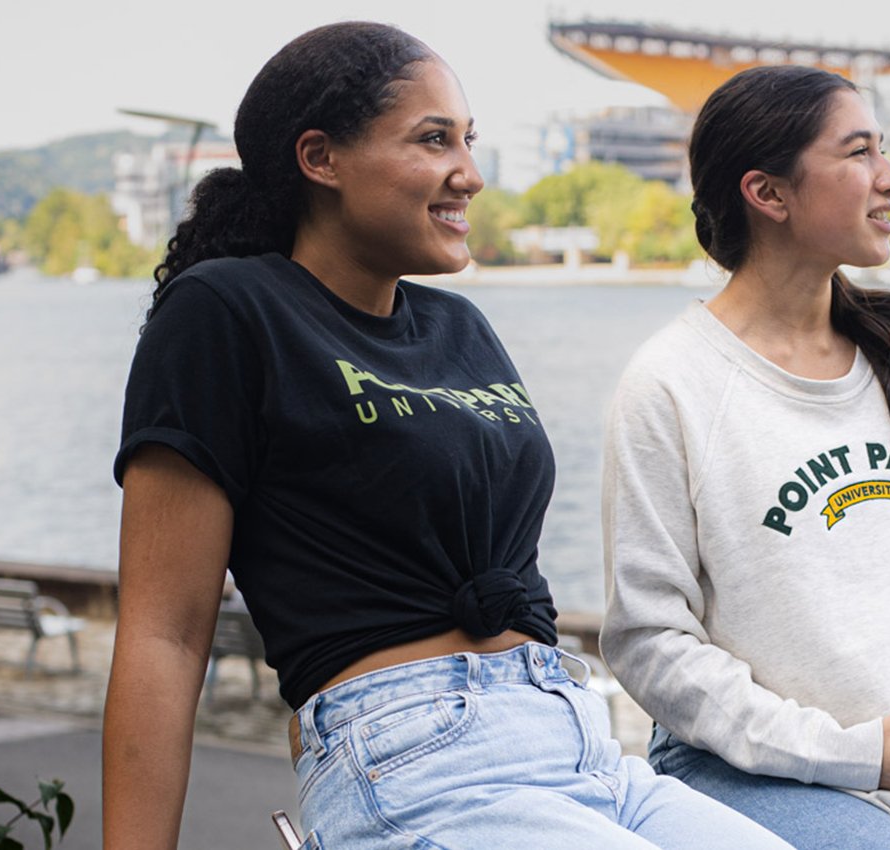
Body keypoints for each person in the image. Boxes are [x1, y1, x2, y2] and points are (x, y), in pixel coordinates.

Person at [103, 22, 794, 850]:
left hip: (576, 738)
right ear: (320, 158)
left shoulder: (458, 326)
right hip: (415, 757)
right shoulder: (224, 311)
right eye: (434, 140)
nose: (469, 172)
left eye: (469, 139)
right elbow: (164, 635)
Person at [600, 65, 890, 850]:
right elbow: (649, 642)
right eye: (858, 154)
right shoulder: (670, 385)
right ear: (769, 194)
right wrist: (853, 755)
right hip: (747, 771)